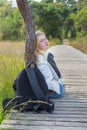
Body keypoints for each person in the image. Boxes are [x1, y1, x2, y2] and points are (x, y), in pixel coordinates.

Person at [35, 30, 64, 99]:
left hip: (41, 91)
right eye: (41, 41)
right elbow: (57, 76)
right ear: (36, 45)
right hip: (53, 93)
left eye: (45, 38)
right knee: (60, 80)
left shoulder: (35, 56)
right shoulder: (47, 55)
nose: (45, 41)